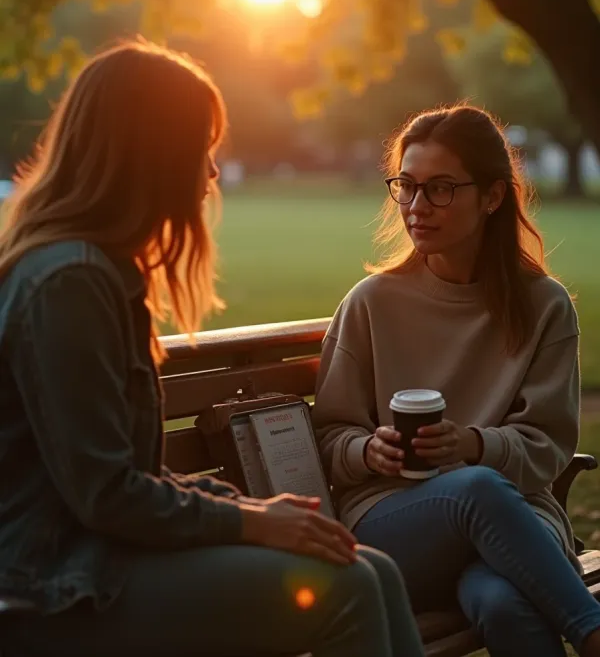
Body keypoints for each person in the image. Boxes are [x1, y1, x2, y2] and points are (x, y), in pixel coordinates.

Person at [0, 41, 425, 657]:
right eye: (200, 147)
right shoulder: (67, 282)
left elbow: (127, 477)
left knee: (373, 570)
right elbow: (106, 494)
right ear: (150, 154)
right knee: (348, 586)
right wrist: (254, 521)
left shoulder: (96, 273)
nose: (212, 173)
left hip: (98, 559)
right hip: (51, 586)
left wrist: (256, 508)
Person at [312, 105, 600, 657]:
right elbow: (328, 439)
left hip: (516, 519)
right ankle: (593, 630)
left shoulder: (544, 306)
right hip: (394, 525)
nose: (417, 208)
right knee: (477, 489)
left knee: (502, 602)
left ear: (492, 197)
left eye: (440, 189)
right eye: (407, 186)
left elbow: (547, 448)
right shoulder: (371, 304)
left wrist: (471, 445)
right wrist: (369, 452)